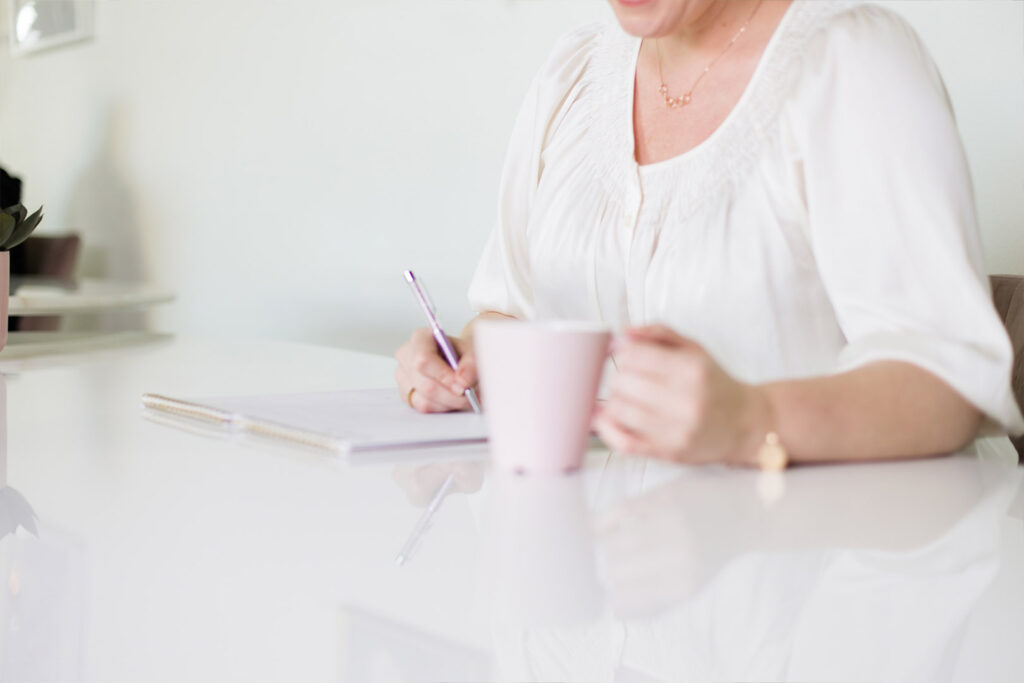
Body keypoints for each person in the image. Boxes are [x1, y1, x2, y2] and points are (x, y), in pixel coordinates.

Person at [395, 0, 1024, 466]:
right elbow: (515, 312)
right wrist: (465, 361)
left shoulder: (850, 61)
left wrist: (754, 420)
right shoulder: (573, 74)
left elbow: (950, 383)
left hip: (822, 585)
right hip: (599, 589)